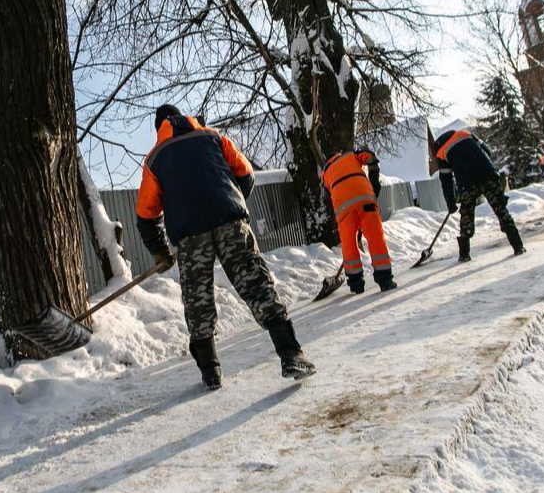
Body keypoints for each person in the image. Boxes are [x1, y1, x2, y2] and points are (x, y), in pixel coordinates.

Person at [136, 105, 316, 390]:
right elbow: (246, 174)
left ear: (159, 128)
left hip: (189, 233)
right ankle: (291, 353)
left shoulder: (156, 158)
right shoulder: (212, 137)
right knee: (255, 281)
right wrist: (230, 202)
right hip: (230, 219)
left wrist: (160, 251)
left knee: (198, 298)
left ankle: (210, 372)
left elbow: (146, 216)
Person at [432, 128, 525, 262]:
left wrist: (451, 204)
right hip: (488, 174)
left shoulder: (441, 153)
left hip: (467, 183)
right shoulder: (465, 133)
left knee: (467, 215)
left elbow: (446, 181)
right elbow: (488, 151)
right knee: (500, 210)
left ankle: (464, 254)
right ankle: (518, 246)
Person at [320, 147, 396, 294]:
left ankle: (356, 285)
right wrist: (374, 184)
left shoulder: (325, 174)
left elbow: (327, 199)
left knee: (349, 245)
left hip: (343, 210)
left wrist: (344, 216)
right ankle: (385, 280)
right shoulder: (350, 156)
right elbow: (371, 157)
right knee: (376, 239)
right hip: (365, 200)